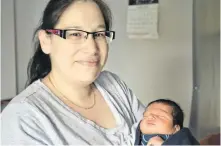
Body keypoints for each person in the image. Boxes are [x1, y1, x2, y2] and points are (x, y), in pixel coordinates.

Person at [1, 0, 145, 145]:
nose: (92, 48)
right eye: (75, 34)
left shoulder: (114, 86)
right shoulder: (23, 118)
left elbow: (158, 134)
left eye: (99, 34)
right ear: (46, 41)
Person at [134, 99, 200, 145]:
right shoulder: (133, 139)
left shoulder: (183, 138)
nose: (150, 117)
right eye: (146, 115)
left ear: (176, 128)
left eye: (160, 116)